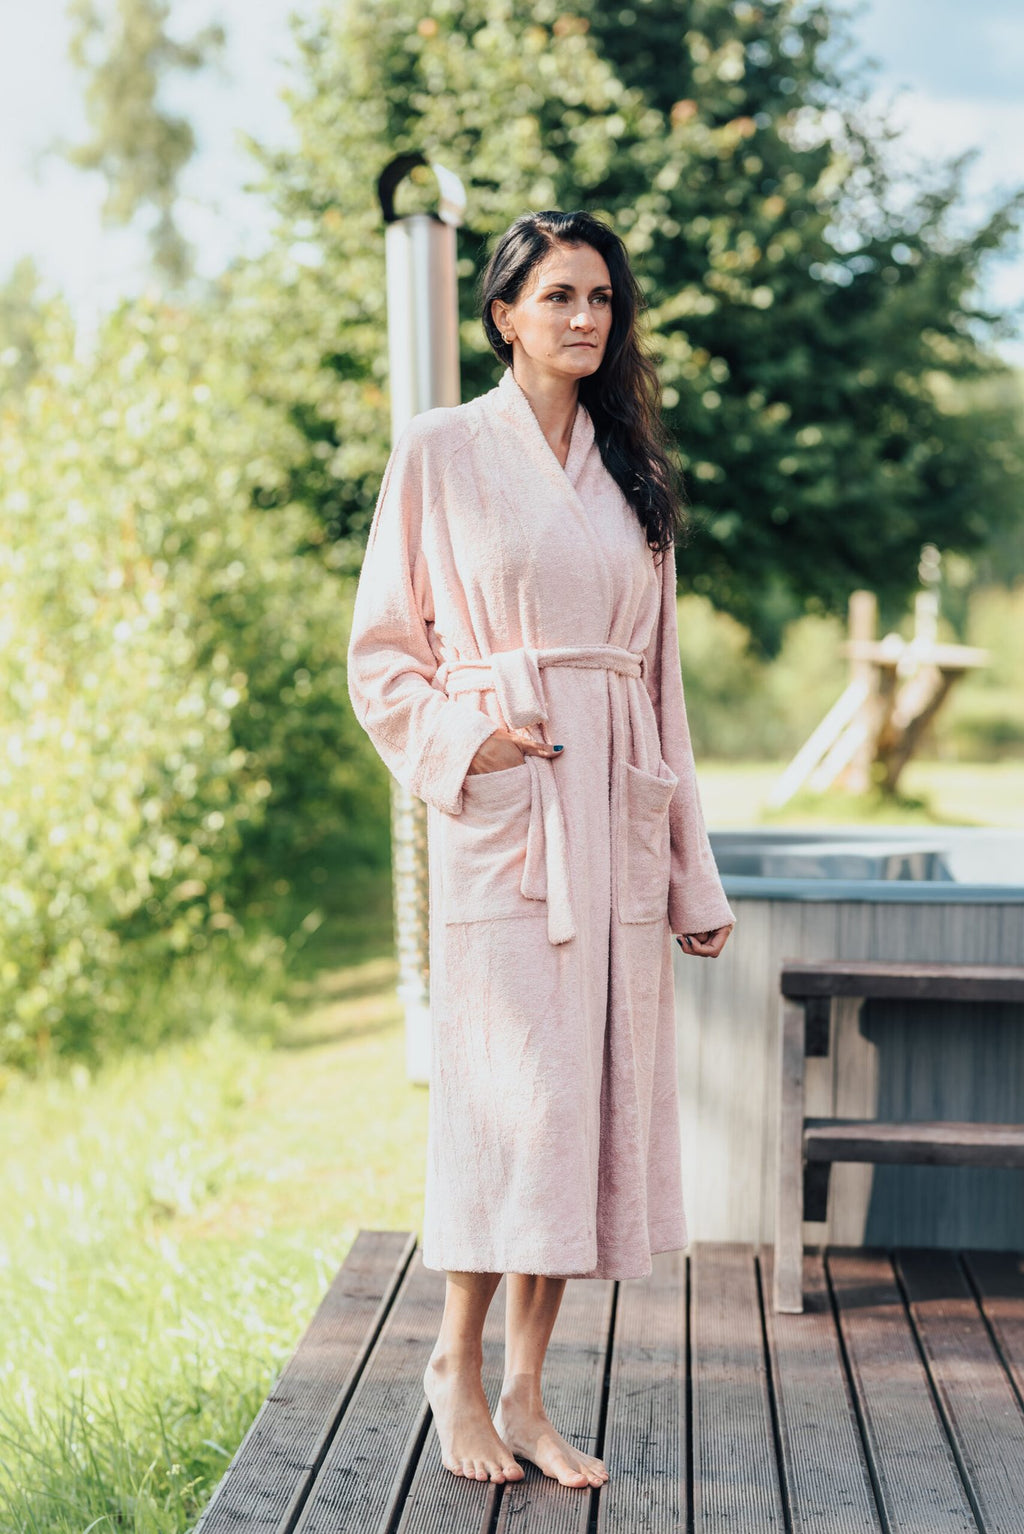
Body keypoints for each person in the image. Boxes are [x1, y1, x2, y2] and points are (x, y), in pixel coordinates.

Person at [346, 209, 735, 1491]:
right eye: (558, 295)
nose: (585, 318)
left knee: (588, 1114)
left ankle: (526, 1388)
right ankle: (452, 1363)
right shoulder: (441, 451)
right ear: (504, 311)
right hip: (507, 817)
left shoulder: (631, 470)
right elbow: (383, 655)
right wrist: (471, 739)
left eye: (602, 299)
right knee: (510, 1105)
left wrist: (689, 864)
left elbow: (660, 684)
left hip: (612, 813)